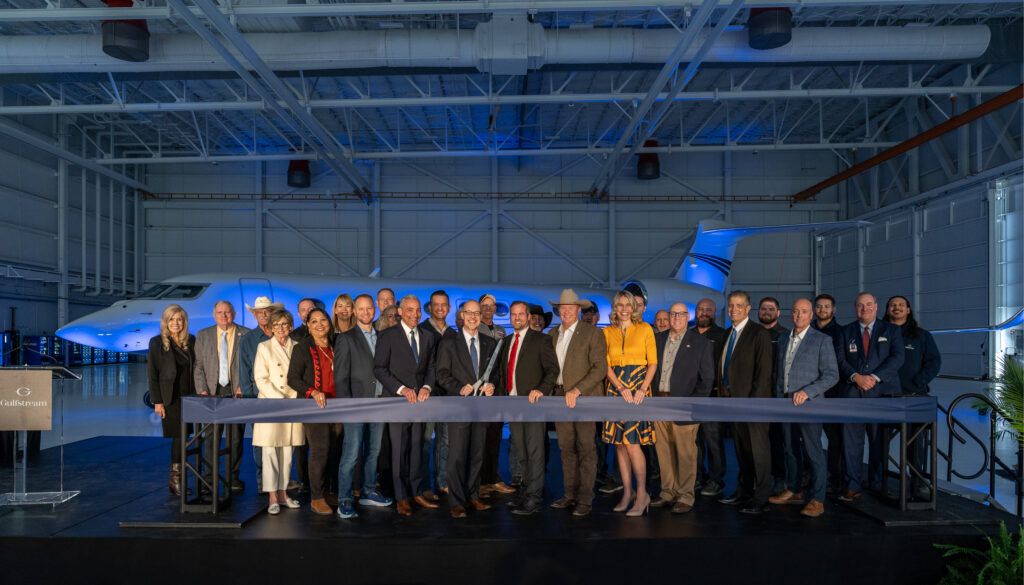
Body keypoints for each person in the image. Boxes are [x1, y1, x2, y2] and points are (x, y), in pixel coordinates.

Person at [768, 299, 838, 518]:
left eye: (804, 312)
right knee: (789, 449)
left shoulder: (822, 340)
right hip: (785, 403)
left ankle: (817, 499)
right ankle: (795, 489)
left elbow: (831, 375)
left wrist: (808, 391)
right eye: (796, 311)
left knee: (813, 451)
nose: (799, 315)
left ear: (811, 315)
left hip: (810, 404)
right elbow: (779, 373)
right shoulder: (782, 339)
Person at [833, 292, 904, 501]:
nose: (865, 308)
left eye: (868, 304)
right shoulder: (845, 332)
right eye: (860, 305)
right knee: (851, 444)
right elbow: (839, 358)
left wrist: (873, 377)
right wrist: (856, 377)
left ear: (875, 306)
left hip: (881, 394)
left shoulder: (891, 330)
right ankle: (852, 485)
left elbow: (898, 357)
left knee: (879, 442)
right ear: (855, 308)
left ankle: (877, 484)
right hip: (852, 393)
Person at [373, 294, 438, 516]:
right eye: (410, 310)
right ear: (400, 311)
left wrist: (428, 387)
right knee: (399, 452)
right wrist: (401, 389)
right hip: (397, 402)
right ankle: (401, 497)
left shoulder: (428, 336)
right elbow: (379, 368)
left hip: (420, 404)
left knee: (417, 450)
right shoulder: (387, 335)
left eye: (418, 310)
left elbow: (431, 367)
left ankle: (416, 492)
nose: (415, 315)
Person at [493, 300, 559, 516]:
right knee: (521, 452)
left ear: (528, 317)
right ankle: (525, 492)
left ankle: (534, 497)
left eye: (521, 314)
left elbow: (552, 370)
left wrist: (541, 389)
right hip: (512, 404)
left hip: (533, 404)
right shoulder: (507, 341)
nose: (517, 318)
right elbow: (504, 372)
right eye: (513, 314)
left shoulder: (541, 340)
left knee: (535, 452)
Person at [548, 289, 607, 518]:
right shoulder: (552, 334)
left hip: (584, 398)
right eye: (562, 309)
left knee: (586, 449)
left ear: (578, 310)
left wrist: (578, 389)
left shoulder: (592, 333)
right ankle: (569, 494)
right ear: (558, 310)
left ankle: (585, 499)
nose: (566, 312)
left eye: (570, 309)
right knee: (565, 449)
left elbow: (600, 368)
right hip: (559, 397)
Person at [435, 300, 497, 518]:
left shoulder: (490, 343)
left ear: (481, 316)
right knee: (457, 455)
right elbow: (441, 374)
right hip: (458, 406)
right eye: (469, 313)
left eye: (477, 313)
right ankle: (457, 501)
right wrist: (458, 388)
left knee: (477, 454)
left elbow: (494, 374)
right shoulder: (449, 343)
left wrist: (492, 386)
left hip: (481, 408)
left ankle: (473, 496)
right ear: (462, 315)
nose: (473, 317)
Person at [335, 294, 394, 519]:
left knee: (374, 451)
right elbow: (340, 377)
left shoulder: (383, 336)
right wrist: (346, 406)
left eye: (370, 309)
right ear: (354, 312)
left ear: (374, 310)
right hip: (356, 405)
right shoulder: (346, 338)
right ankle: (344, 499)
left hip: (379, 402)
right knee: (351, 454)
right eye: (361, 309)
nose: (366, 312)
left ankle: (369, 490)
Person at [650, 303, 713, 514]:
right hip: (659, 402)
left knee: (686, 453)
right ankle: (668, 492)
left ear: (688, 317)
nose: (676, 317)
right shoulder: (657, 339)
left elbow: (707, 380)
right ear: (668, 316)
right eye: (673, 313)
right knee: (663, 450)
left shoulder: (700, 343)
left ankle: (686, 495)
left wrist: (691, 404)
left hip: (685, 406)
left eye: (681, 314)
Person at [717, 290, 774, 515]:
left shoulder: (758, 333)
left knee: (759, 452)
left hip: (753, 405)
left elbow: (764, 372)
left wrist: (754, 404)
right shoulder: (726, 334)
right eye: (731, 305)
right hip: (731, 403)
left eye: (739, 305)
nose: (734, 309)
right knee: (742, 451)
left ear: (748, 308)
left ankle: (761, 498)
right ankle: (744, 491)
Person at [602, 290, 658, 517]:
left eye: (628, 304)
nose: (624, 308)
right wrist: (620, 387)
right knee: (619, 444)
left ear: (634, 307)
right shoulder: (607, 332)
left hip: (639, 388)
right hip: (616, 388)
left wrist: (642, 389)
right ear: (615, 308)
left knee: (633, 443)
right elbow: (605, 366)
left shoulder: (645, 329)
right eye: (620, 305)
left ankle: (643, 494)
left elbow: (652, 363)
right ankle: (628, 492)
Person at [287, 307, 343, 515]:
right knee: (320, 449)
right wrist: (312, 391)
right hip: (314, 406)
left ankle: (329, 490)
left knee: (335, 450)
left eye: (323, 320)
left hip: (338, 405)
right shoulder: (302, 348)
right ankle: (316, 497)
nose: (320, 324)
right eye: (314, 321)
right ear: (308, 326)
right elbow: (293, 379)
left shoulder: (337, 343)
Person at [885, 295, 941, 500]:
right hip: (884, 397)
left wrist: (918, 382)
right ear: (887, 310)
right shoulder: (880, 333)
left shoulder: (921, 336)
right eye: (893, 305)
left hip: (914, 396)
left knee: (915, 443)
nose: (897, 308)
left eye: (901, 305)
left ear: (908, 310)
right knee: (879, 442)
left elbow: (934, 362)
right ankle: (878, 480)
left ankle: (917, 483)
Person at [193, 300, 250, 492]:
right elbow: (198, 366)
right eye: (220, 312)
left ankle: (233, 477)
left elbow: (250, 365)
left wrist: (243, 387)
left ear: (233, 313)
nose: (224, 316)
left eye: (227, 312)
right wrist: (202, 390)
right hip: (212, 392)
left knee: (235, 438)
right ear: (214, 314)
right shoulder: (203, 335)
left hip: (237, 393)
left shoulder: (246, 334)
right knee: (211, 438)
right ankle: (209, 479)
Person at [253, 309, 305, 515]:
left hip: (293, 403)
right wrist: (279, 399)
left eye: (284, 324)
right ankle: (272, 497)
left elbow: (301, 375)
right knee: (269, 452)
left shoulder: (298, 347)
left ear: (290, 326)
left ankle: (283, 494)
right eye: (276, 325)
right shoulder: (263, 347)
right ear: (271, 328)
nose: (281, 328)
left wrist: (293, 398)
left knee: (287, 453)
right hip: (271, 405)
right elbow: (260, 378)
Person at [147, 304, 196, 497]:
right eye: (171, 319)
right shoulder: (156, 342)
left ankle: (181, 479)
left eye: (179, 319)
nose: (175, 323)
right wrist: (157, 401)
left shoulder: (191, 340)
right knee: (179, 437)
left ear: (184, 322)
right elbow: (152, 374)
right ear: (165, 322)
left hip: (191, 396)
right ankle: (175, 479)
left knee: (187, 438)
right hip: (170, 398)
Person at [235, 296, 282, 492]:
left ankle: (281, 480)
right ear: (254, 315)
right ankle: (264, 480)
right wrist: (249, 398)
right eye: (259, 312)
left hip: (282, 397)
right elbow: (244, 371)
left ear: (272, 313)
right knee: (261, 441)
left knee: (282, 439)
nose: (263, 315)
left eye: (267, 311)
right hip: (258, 397)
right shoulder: (248, 340)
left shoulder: (282, 335)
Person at [420, 290, 457, 500]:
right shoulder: (422, 330)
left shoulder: (453, 334)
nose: (440, 308)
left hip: (448, 396)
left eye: (444, 305)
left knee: (446, 441)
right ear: (430, 307)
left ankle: (443, 482)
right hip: (427, 396)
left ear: (449, 308)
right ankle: (424, 485)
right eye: (436, 304)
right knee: (424, 442)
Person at [478, 293, 516, 498]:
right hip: (480, 392)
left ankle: (493, 477)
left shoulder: (501, 331)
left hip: (498, 391)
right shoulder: (476, 329)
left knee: (494, 436)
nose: (488, 309)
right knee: (480, 438)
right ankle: (481, 480)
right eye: (484, 305)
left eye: (492, 305)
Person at [692, 297, 730, 498]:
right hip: (691, 398)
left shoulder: (723, 335)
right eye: (700, 309)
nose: (703, 312)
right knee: (695, 442)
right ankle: (698, 476)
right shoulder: (688, 334)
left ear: (714, 313)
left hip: (713, 397)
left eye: (708, 309)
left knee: (714, 441)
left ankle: (716, 480)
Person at [812, 293, 845, 494]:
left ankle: (835, 477)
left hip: (833, 393)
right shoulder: (807, 330)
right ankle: (813, 476)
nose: (822, 310)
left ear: (833, 310)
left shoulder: (842, 333)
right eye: (819, 306)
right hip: (809, 393)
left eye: (826, 307)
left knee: (835, 439)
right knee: (810, 438)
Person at [759, 296, 790, 496]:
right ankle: (760, 478)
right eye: (763, 309)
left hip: (777, 396)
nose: (767, 312)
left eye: (771, 309)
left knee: (778, 441)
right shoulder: (753, 333)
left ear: (778, 313)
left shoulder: (785, 335)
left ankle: (780, 479)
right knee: (759, 441)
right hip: (757, 396)